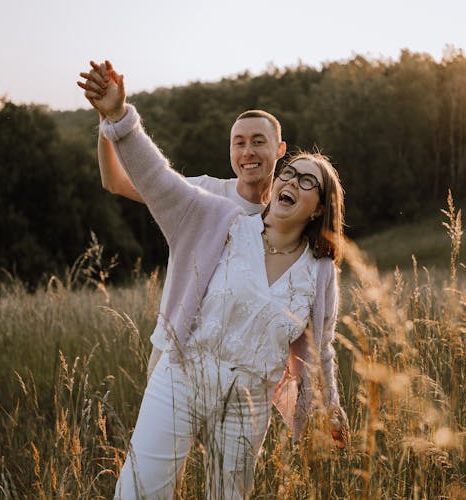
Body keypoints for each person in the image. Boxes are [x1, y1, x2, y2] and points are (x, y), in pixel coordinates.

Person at [80, 62, 349, 499]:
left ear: (318, 207)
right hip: (184, 371)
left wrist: (329, 404)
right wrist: (117, 116)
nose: (292, 182)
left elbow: (321, 344)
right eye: (291, 175)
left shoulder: (318, 271)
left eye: (307, 182)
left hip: (250, 399)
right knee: (140, 492)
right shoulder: (217, 215)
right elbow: (154, 178)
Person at [78, 61, 286, 379]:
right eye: (239, 143)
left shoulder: (286, 218)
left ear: (279, 149)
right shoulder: (202, 193)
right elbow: (115, 183)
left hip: (241, 372)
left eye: (258, 141)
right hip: (176, 359)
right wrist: (108, 119)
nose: (248, 151)